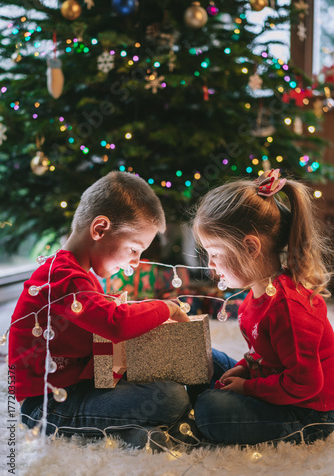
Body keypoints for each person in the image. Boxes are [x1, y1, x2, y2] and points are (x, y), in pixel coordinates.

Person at [8, 171, 191, 449]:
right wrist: (166, 308)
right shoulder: (64, 277)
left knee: (165, 374)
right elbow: (115, 323)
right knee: (170, 396)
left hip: (79, 387)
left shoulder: (82, 275)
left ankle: (132, 433)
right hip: (45, 406)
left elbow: (106, 327)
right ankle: (129, 431)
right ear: (100, 229)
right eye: (134, 249)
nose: (135, 263)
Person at [192, 169, 334, 445]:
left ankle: (207, 406)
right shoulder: (255, 297)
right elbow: (264, 354)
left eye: (215, 254)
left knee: (211, 412)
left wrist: (247, 388)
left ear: (249, 247)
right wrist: (245, 368)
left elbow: (305, 383)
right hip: (276, 380)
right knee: (205, 356)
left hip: (311, 411)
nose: (210, 266)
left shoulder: (290, 310)